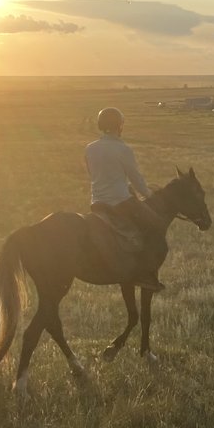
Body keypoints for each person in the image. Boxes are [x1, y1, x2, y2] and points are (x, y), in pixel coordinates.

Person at [84, 107, 167, 292]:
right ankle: (145, 275)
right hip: (121, 202)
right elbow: (136, 180)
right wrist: (150, 195)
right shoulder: (123, 149)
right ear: (119, 126)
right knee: (156, 225)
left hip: (97, 203)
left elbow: (94, 175)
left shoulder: (90, 148)